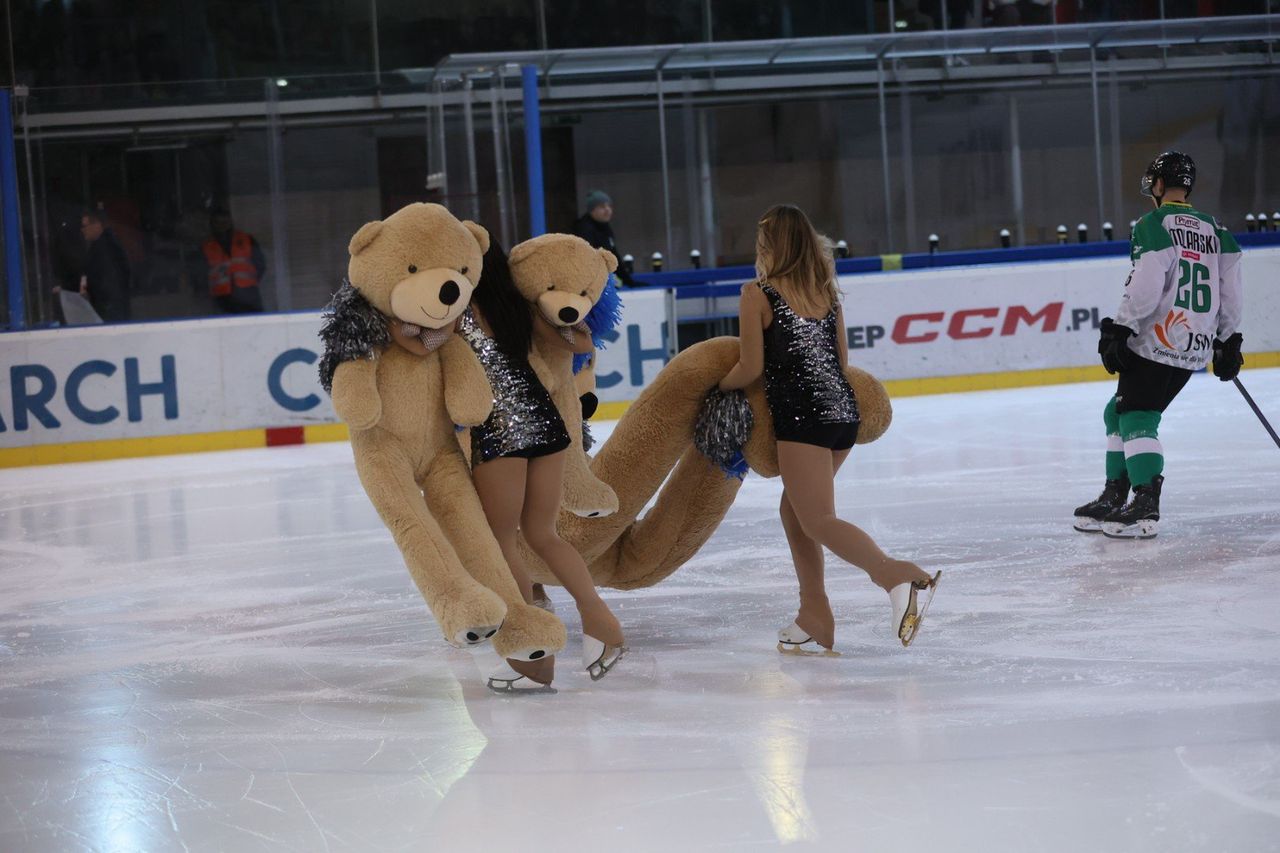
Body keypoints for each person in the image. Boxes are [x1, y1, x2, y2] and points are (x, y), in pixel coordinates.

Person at [719, 204, 940, 654]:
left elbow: (750, 366)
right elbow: (841, 362)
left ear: (771, 245)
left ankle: (897, 576)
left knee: (818, 520)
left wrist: (713, 388)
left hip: (803, 420)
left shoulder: (757, 294)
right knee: (795, 513)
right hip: (842, 415)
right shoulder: (826, 294)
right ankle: (814, 615)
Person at [460, 240, 626, 691]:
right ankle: (603, 626)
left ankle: (533, 660)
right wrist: (562, 320)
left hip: (501, 432)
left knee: (502, 541)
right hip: (546, 426)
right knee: (542, 534)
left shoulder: (457, 313)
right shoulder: (519, 309)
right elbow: (583, 342)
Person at [1073, 151, 1243, 539]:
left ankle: (1145, 502)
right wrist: (1228, 339)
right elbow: (1230, 290)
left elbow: (1147, 282)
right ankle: (1115, 494)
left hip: (1158, 338)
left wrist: (1121, 328)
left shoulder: (1154, 223)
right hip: (1194, 343)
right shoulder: (1218, 230)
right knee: (1117, 412)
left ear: (1160, 184)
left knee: (1137, 415)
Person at [202, 207, 267, 314]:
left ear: (231, 222)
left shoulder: (246, 239)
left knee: (254, 321)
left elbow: (260, 264)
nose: (222, 225)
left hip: (248, 295)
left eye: (225, 221)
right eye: (218, 222)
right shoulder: (207, 246)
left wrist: (250, 283)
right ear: (213, 224)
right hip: (222, 297)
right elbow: (201, 273)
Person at [79, 209, 132, 322]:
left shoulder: (105, 248)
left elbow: (108, 281)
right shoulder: (101, 246)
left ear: (97, 225)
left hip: (110, 310)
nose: (82, 230)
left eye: (85, 226)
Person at [572, 190, 634, 286]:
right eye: (602, 207)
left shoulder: (605, 227)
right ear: (592, 210)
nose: (607, 210)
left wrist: (629, 282)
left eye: (609, 206)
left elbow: (613, 255)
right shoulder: (584, 230)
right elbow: (587, 260)